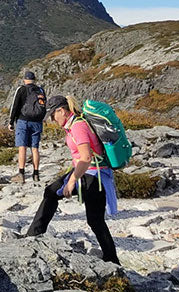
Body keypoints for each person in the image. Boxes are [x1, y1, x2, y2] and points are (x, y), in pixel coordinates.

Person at [24, 95, 120, 264]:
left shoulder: (78, 127)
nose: (52, 120)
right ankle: (112, 260)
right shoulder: (78, 123)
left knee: (51, 192)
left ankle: (32, 237)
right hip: (99, 176)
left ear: (61, 110)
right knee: (95, 221)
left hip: (91, 176)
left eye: (53, 116)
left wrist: (71, 180)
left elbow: (86, 158)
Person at [8, 70, 46, 183]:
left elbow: (14, 106)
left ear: (25, 79)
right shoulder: (40, 90)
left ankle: (21, 174)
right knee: (35, 148)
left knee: (22, 147)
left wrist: (11, 122)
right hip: (37, 123)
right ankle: (36, 174)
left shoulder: (21, 89)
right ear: (34, 80)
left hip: (23, 121)